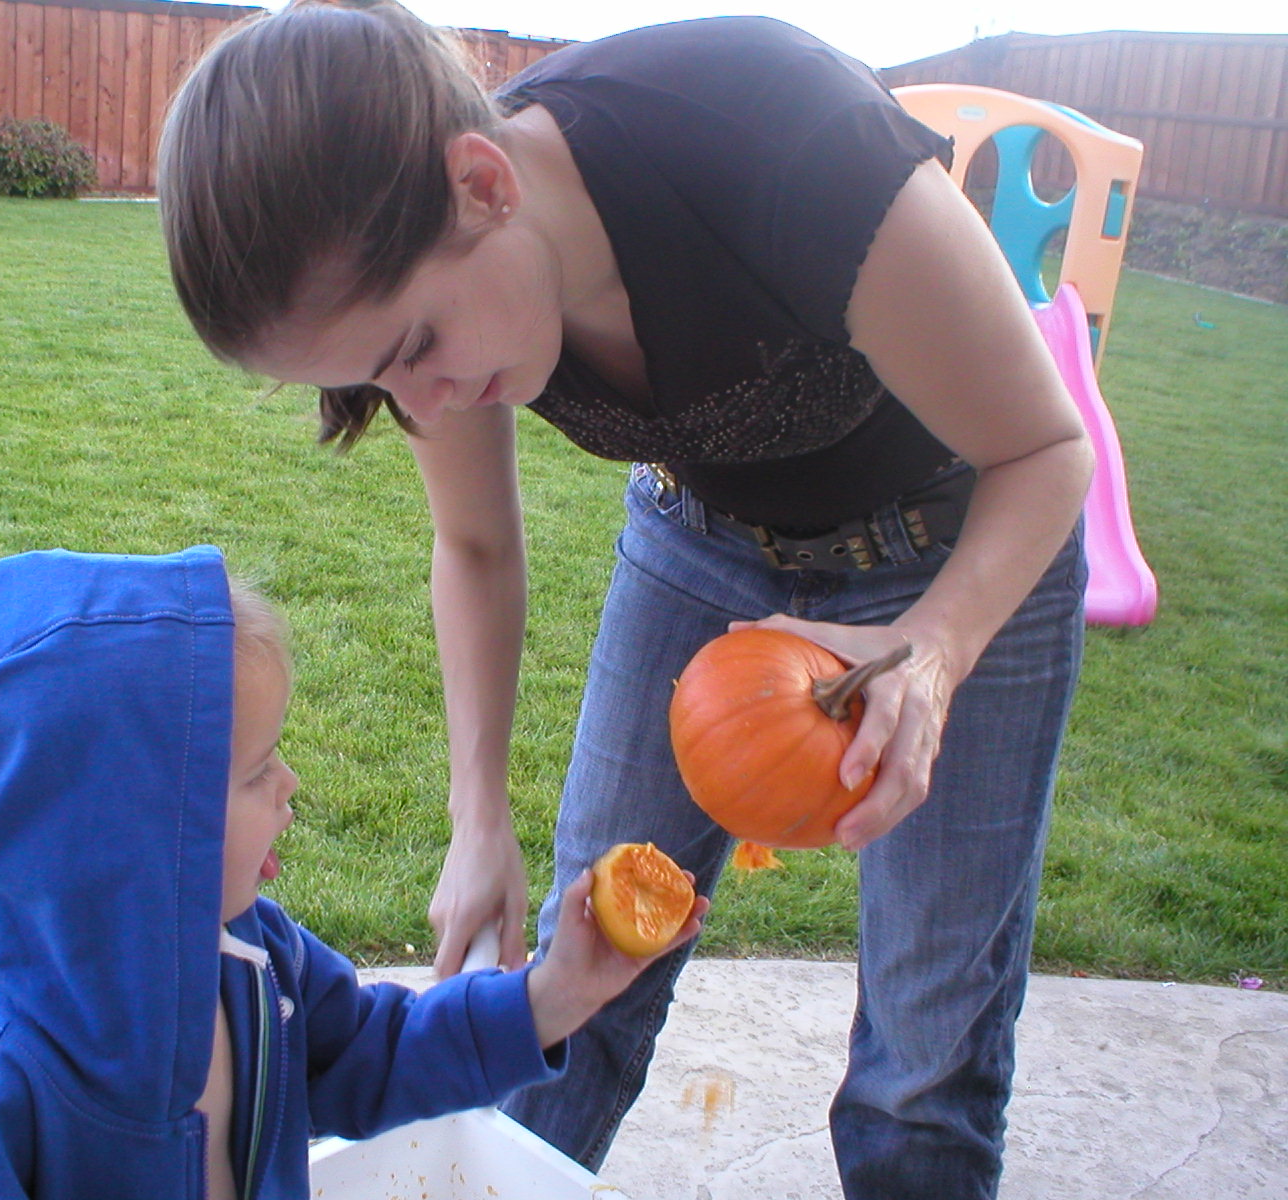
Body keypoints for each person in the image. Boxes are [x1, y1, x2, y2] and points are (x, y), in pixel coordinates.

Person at [157, 5, 1093, 1196]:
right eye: (378, 382)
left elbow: (1046, 452)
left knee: (924, 1050)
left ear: (482, 182)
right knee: (582, 975)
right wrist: (476, 810)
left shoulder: (777, 137)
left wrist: (935, 653)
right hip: (699, 539)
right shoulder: (447, 298)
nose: (431, 408)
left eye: (415, 347)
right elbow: (477, 543)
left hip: (959, 542)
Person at [0, 544, 706, 1200]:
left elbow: (380, 1052)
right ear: (130, 835)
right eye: (257, 769)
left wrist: (556, 994)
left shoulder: (259, 964)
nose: (290, 783)